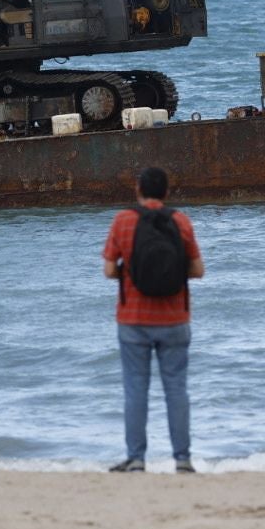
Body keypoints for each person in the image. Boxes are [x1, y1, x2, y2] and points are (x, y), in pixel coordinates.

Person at [101, 166, 204, 473]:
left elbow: (108, 271)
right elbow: (198, 270)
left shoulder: (123, 221)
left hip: (133, 320)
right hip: (175, 320)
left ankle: (136, 459)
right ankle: (183, 460)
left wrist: (132, 274)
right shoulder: (181, 221)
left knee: (135, 389)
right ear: (167, 192)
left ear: (138, 191)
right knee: (176, 390)